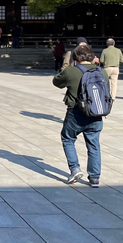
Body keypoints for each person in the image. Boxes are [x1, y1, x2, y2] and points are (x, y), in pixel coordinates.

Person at [53, 44, 104, 188]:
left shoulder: (71, 72)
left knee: (67, 138)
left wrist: (66, 67)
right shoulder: (102, 72)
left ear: (76, 57)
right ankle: (94, 178)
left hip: (76, 113)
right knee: (94, 145)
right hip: (96, 113)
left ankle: (75, 168)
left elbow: (56, 82)